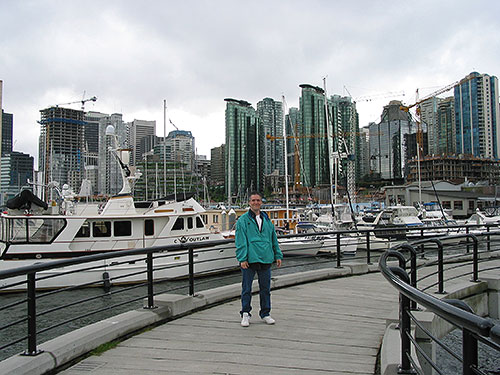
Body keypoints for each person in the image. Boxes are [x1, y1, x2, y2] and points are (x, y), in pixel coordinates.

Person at [235, 192, 283, 327]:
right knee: (246, 288)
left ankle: (266, 313)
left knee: (265, 288)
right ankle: (245, 313)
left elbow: (273, 238)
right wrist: (242, 258)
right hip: (250, 259)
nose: (256, 202)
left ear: (261, 202)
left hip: (266, 258)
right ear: (249, 203)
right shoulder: (243, 220)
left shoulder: (267, 220)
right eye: (253, 200)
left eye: (258, 200)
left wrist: (277, 255)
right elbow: (240, 241)